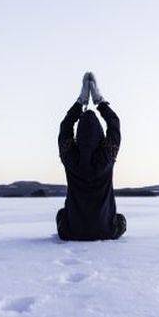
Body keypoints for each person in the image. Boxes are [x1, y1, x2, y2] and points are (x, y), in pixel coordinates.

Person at [55, 72, 126, 241]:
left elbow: (64, 128)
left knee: (61, 214)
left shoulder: (70, 158)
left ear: (78, 135)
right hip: (106, 230)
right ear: (100, 134)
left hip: (72, 231)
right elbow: (114, 125)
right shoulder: (107, 155)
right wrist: (99, 101)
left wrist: (80, 102)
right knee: (121, 219)